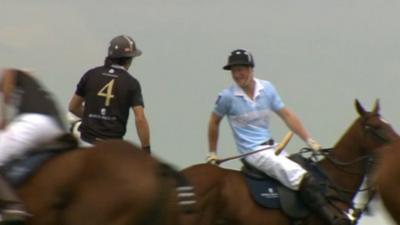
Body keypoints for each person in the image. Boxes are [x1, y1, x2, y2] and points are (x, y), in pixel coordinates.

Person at [207, 49, 351, 225]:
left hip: (272, 147)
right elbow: (214, 121)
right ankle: (333, 220)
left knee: (307, 169)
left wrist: (309, 140)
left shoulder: (267, 89)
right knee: (301, 178)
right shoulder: (226, 97)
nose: (237, 74)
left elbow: (287, 115)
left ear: (251, 69)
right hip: (253, 152)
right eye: (234, 71)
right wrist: (212, 152)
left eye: (241, 69)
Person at [0, 68, 67, 224]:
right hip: (56, 128)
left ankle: (11, 206)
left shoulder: (15, 75)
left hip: (35, 123)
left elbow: (10, 72)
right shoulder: (37, 92)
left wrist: (5, 114)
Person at [68, 35, 151, 154]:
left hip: (85, 143)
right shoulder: (131, 83)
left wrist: (91, 118)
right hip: (113, 149)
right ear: (129, 59)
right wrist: (146, 149)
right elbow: (140, 119)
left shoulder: (90, 75)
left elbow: (73, 107)